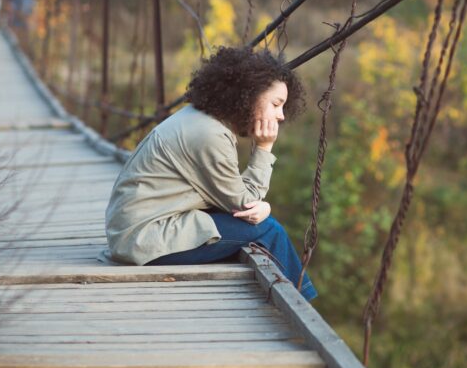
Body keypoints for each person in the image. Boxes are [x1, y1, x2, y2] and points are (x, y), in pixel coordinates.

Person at [99, 46, 316, 301]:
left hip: (133, 232)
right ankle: (304, 306)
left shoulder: (198, 119)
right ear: (248, 95)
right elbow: (245, 205)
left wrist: (256, 204)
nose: (280, 116)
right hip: (142, 241)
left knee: (257, 227)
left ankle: (296, 299)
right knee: (269, 230)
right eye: (276, 104)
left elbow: (234, 201)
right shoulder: (209, 135)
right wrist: (264, 148)